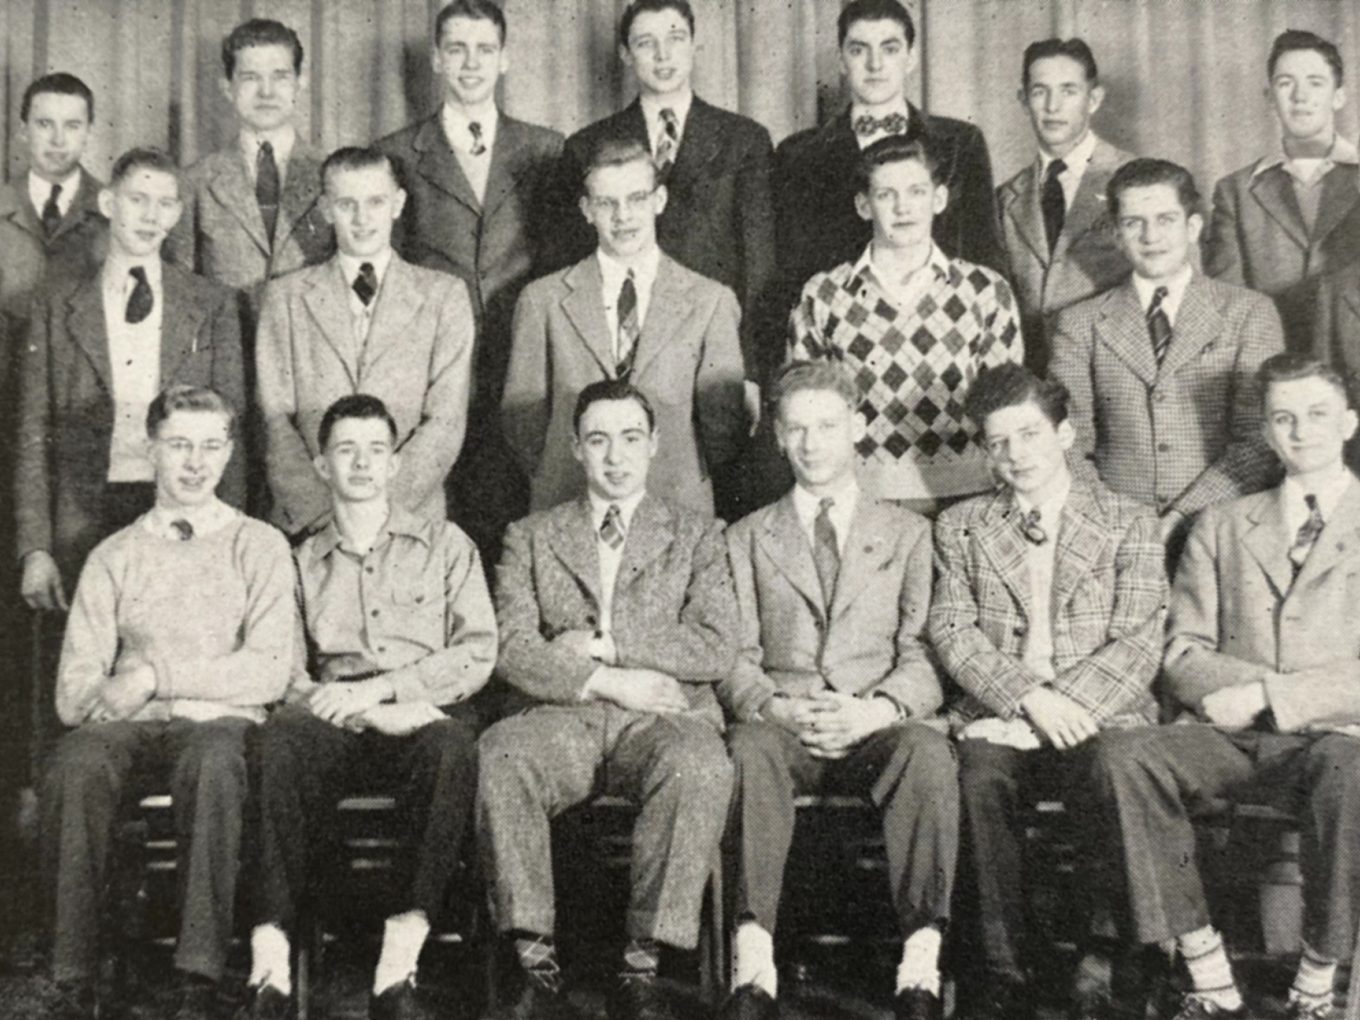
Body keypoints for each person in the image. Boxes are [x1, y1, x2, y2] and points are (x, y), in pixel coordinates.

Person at [1088, 353, 1360, 1020]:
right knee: (1123, 754)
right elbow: (1182, 650)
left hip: (1335, 739)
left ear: (1350, 423)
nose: (1301, 431)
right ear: (1266, 435)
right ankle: (1206, 968)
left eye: (1317, 415)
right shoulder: (1222, 524)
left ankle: (1319, 975)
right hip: (1229, 736)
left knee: (1351, 771)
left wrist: (1272, 696)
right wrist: (1241, 697)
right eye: (1283, 419)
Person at [480, 379, 737, 1020]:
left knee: (699, 764)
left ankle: (644, 963)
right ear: (574, 448)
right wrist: (604, 680)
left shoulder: (698, 536)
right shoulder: (530, 535)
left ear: (654, 446)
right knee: (501, 753)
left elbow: (714, 647)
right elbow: (510, 647)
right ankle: (532, 957)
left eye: (629, 439)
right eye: (598, 440)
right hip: (563, 715)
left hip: (663, 718)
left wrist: (606, 645)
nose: (615, 456)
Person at [39, 384, 293, 1020]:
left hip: (216, 728)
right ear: (148, 449)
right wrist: (131, 699)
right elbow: (73, 694)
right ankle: (74, 975)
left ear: (231, 453)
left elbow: (267, 672)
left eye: (211, 446)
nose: (195, 462)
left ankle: (197, 976)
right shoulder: (114, 556)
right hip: (128, 729)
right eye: (179, 445)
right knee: (75, 762)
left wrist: (154, 677)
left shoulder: (258, 545)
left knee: (213, 761)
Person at [239, 394, 496, 1020]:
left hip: (416, 714)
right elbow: (287, 669)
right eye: (346, 450)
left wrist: (388, 693)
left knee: (453, 748)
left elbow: (477, 650)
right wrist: (349, 706)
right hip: (331, 719)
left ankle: (397, 965)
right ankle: (270, 965)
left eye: (376, 450)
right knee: (277, 742)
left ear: (395, 463)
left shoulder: (446, 544)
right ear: (322, 465)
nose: (362, 463)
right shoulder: (296, 558)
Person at [929, 363, 1166, 1020]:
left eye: (1030, 435)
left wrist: (1064, 708)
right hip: (1002, 715)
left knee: (1114, 768)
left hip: (1102, 710)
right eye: (998, 442)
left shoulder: (1127, 519)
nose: (1015, 455)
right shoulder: (963, 526)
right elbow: (953, 631)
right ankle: (1003, 965)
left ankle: (1102, 953)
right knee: (977, 778)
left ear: (1066, 434)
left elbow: (1140, 639)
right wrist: (1028, 702)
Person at [720, 360, 955, 1020]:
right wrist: (778, 706)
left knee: (929, 756)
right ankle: (753, 966)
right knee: (744, 750)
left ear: (857, 427)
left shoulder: (910, 534)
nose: (812, 443)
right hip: (785, 725)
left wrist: (876, 710)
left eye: (827, 426)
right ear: (776, 438)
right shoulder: (745, 537)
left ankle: (920, 966)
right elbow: (734, 657)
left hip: (874, 722)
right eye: (796, 429)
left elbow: (925, 653)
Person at [16, 146, 246, 614]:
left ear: (179, 213)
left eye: (165, 204)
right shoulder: (55, 305)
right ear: (107, 204)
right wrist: (35, 547)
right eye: (137, 200)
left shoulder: (211, 304)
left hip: (183, 510)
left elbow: (232, 432)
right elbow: (31, 433)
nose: (150, 216)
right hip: (83, 515)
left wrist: (229, 537)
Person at [377, 0, 563, 558]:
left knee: (517, 518)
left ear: (505, 59)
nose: (470, 62)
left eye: (484, 49)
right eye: (456, 49)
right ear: (436, 59)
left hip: (521, 364)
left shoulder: (547, 150)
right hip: (434, 369)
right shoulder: (395, 155)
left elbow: (559, 264)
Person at [1048, 158, 1284, 559]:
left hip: (1221, 530)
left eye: (1166, 219)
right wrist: (1117, 521)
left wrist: (1180, 517)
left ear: (1193, 227)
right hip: (1114, 537)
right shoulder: (1079, 323)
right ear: (1117, 235)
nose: (1151, 236)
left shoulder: (1249, 313)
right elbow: (1068, 440)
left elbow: (1259, 440)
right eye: (1133, 222)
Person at [502, 136, 745, 517]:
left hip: (676, 503)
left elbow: (723, 429)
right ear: (586, 210)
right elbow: (522, 419)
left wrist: (675, 472)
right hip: (568, 500)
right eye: (607, 203)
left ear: (659, 201)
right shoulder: (542, 301)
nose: (623, 216)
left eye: (637, 199)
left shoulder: (710, 301)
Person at [789, 134, 1022, 515]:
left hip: (968, 494)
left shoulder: (985, 290)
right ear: (864, 206)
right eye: (885, 195)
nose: (903, 207)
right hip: (859, 497)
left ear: (939, 198)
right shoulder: (824, 293)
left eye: (916, 191)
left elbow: (1005, 406)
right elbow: (806, 406)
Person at [255, 146, 473, 539]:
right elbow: (275, 419)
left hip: (410, 520)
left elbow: (445, 419)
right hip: (310, 523)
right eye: (346, 204)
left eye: (375, 202)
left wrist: (381, 512)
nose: (361, 218)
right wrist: (325, 515)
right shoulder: (284, 297)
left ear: (398, 203)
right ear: (324, 208)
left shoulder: (444, 296)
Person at [557, 0, 776, 385]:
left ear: (694, 45)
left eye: (675, 38)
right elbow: (573, 265)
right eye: (645, 43)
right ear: (625, 54)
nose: (663, 54)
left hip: (713, 349)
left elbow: (759, 269)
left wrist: (752, 373)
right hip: (621, 346)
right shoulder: (586, 146)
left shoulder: (745, 140)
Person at [773, 0, 1007, 322]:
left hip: (941, 328)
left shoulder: (961, 143)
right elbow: (788, 274)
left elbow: (985, 256)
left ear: (910, 58)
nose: (875, 64)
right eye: (859, 50)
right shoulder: (796, 154)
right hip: (836, 332)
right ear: (841, 60)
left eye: (890, 48)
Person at [1205, 30, 1360, 351]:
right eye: (1286, 82)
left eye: (1315, 82)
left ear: (1339, 96)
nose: (1300, 96)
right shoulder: (1236, 191)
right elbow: (1228, 303)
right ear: (1269, 96)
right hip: (1272, 368)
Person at [169, 17, 333, 307]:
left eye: (280, 76)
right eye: (250, 77)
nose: (266, 92)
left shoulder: (332, 176)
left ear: (300, 83)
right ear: (227, 87)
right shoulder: (195, 183)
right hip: (228, 349)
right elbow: (180, 296)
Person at [997, 38, 1133, 375]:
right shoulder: (1004, 198)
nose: (1053, 107)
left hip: (1116, 375)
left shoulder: (1135, 180)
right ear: (1023, 101)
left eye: (1069, 91)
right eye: (1040, 92)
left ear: (1094, 99)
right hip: (1036, 383)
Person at [0, 72, 106, 348]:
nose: (58, 140)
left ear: (89, 133)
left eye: (72, 126)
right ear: (23, 130)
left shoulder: (114, 211)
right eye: (45, 124)